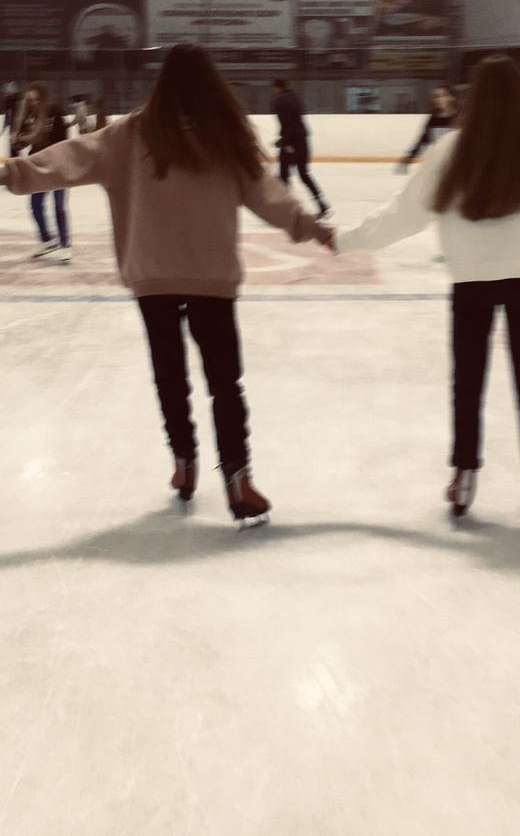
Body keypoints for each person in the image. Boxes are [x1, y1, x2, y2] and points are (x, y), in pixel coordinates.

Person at [1, 46, 335, 524]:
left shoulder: (131, 133)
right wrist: (309, 225)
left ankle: (184, 462)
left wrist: (11, 172)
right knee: (225, 381)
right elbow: (267, 194)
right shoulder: (225, 135)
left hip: (152, 272)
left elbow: (68, 159)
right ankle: (238, 478)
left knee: (169, 374)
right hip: (211, 274)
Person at [337, 55, 520, 519]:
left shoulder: (450, 150)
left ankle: (464, 474)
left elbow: (403, 215)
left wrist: (345, 240)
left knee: (468, 383)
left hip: (471, 285)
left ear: (471, 98)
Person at [12, 83, 71, 262]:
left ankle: (64, 245)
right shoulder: (28, 116)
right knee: (35, 206)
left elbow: (65, 140)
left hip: (58, 166)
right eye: (30, 100)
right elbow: (22, 143)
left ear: (43, 98)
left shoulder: (55, 111)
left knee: (59, 206)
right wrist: (17, 141)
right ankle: (47, 241)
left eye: (37, 99)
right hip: (36, 166)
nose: (34, 103)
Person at [272, 78, 330, 218]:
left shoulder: (280, 101)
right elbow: (296, 120)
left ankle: (289, 209)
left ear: (276, 87)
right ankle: (321, 204)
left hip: (292, 142)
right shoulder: (295, 97)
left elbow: (286, 122)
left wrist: (286, 142)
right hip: (303, 140)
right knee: (304, 174)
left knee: (284, 175)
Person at [396, 85, 457, 173]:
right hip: (439, 167)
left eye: (443, 95)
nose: (439, 99)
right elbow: (422, 141)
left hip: (457, 166)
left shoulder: (461, 119)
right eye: (436, 96)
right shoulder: (433, 120)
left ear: (451, 97)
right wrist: (408, 160)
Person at [3, 82, 22, 157]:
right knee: (13, 143)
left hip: (15, 124)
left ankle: (14, 156)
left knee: (14, 142)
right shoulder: (11, 101)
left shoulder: (15, 101)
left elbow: (17, 114)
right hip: (13, 124)